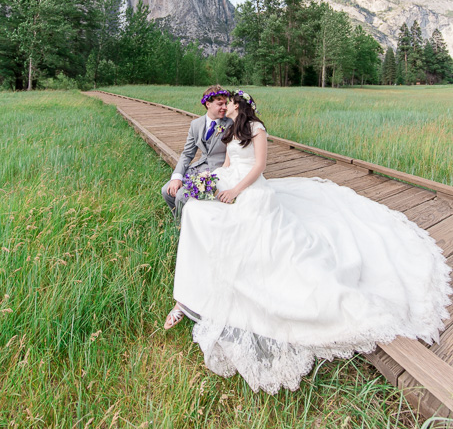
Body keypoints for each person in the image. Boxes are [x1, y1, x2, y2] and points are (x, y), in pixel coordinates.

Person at [164, 90, 451, 394]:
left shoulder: (257, 129)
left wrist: (235, 191)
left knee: (245, 225)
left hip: (251, 188)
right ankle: (189, 293)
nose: (226, 106)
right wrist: (208, 183)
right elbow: (226, 165)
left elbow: (258, 167)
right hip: (228, 181)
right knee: (197, 211)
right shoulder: (230, 129)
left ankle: (219, 286)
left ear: (240, 106)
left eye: (231, 102)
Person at [161, 85, 233, 220]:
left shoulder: (230, 124)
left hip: (218, 170)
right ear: (208, 104)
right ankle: (180, 221)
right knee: (166, 191)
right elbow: (187, 154)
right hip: (199, 167)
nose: (224, 107)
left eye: (226, 103)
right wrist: (177, 176)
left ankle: (182, 229)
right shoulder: (196, 124)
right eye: (220, 103)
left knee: (182, 195)